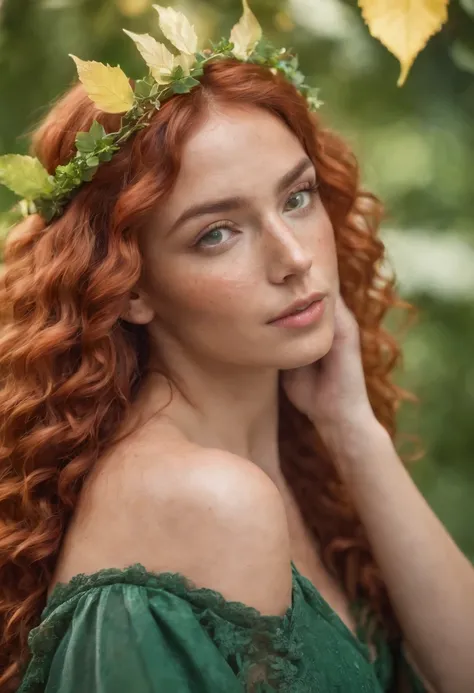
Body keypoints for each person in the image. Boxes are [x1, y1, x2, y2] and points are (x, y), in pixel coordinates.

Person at [0, 3, 473, 692]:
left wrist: (351, 428)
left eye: (297, 198)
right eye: (217, 232)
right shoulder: (209, 496)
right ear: (130, 287)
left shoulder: (295, 462)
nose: (293, 258)